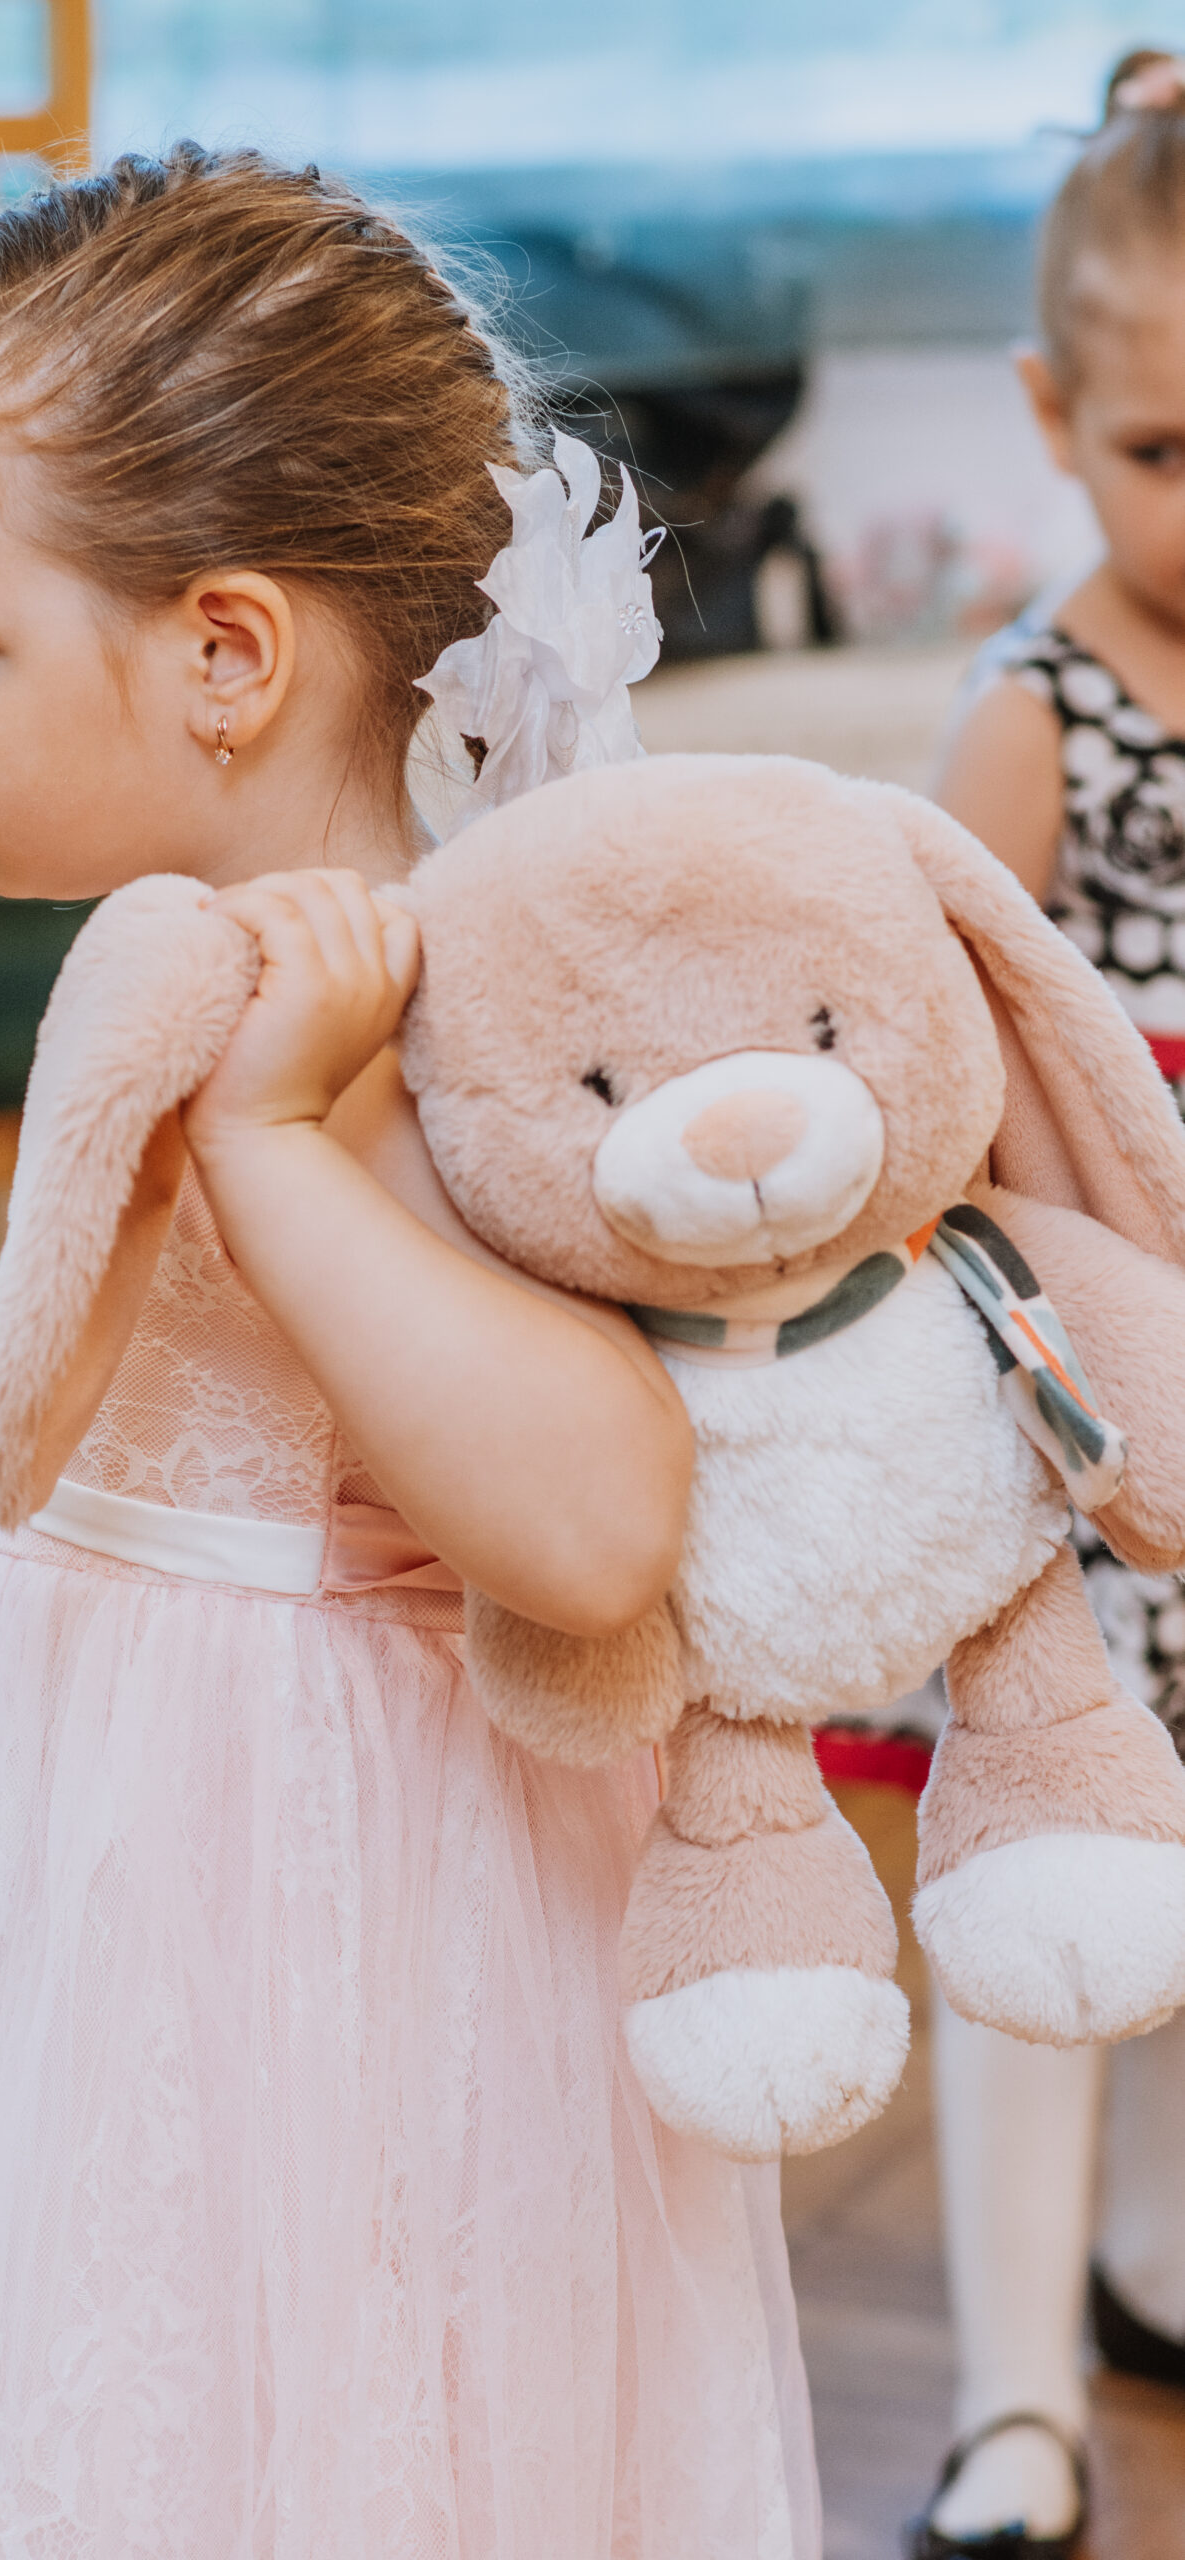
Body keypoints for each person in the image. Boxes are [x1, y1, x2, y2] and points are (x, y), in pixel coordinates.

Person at [0, 147, 819, 2560]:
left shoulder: (452, 1025)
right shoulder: (166, 966)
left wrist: (271, 1146)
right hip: (71, 1829)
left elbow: (597, 1527)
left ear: (222, 653)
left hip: (351, 1889)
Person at [924, 47, 1185, 2560]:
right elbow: (930, 1052)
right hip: (1090, 1419)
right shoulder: (1043, 712)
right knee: (1053, 1868)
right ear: (1048, 415)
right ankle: (1013, 2400)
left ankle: (1157, 2259)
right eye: (1161, 452)